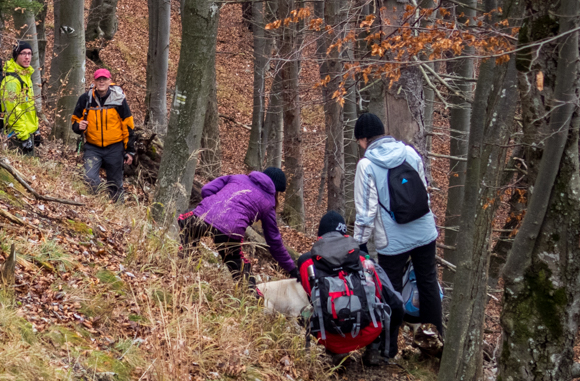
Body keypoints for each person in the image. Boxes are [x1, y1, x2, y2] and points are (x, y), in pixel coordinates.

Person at [352, 112, 443, 338]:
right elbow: (424, 193)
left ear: (364, 139)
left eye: (359, 142)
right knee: (428, 282)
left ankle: (389, 346)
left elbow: (366, 211)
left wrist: (360, 244)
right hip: (424, 231)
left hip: (393, 242)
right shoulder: (410, 152)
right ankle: (435, 337)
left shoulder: (367, 165)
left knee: (390, 291)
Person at [298, 210, 403, 366]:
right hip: (368, 333)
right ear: (345, 234)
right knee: (383, 304)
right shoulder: (363, 259)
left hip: (327, 337)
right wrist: (388, 347)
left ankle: (334, 352)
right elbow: (396, 303)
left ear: (320, 236)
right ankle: (374, 349)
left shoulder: (306, 262)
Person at [178, 166, 298, 285]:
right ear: (276, 190)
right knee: (238, 267)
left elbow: (206, 190)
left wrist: (216, 206)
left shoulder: (238, 177)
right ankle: (253, 296)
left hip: (203, 217)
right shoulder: (268, 203)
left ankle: (186, 265)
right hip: (229, 232)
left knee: (186, 222)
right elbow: (274, 241)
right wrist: (292, 269)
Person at [72, 68, 134, 202]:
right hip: (93, 148)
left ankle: (117, 214)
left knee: (115, 184)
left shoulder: (119, 99)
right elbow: (75, 120)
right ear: (94, 81)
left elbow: (128, 125)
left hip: (115, 148)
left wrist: (130, 151)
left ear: (109, 81)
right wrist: (78, 126)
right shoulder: (86, 99)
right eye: (99, 79)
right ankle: (96, 206)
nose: (101, 81)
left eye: (104, 79)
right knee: (89, 178)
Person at [0, 41, 41, 154]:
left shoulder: (26, 77)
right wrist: (23, 137)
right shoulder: (12, 81)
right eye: (23, 53)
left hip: (28, 133)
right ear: (16, 56)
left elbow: (29, 107)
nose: (27, 57)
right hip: (16, 136)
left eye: (29, 53)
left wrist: (36, 129)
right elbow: (13, 111)